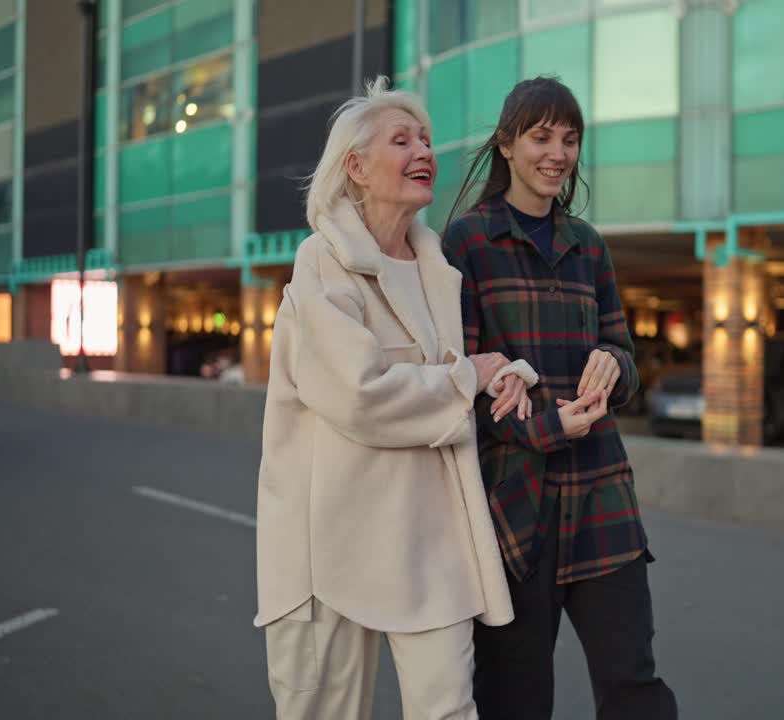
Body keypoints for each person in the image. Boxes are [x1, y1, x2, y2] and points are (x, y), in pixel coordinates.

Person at [254, 77, 539, 720]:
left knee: (449, 709)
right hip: (327, 536)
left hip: (430, 534)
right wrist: (467, 379)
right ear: (356, 167)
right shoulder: (321, 262)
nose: (424, 152)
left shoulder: (438, 271)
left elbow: (456, 375)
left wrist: (497, 375)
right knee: (323, 711)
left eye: (427, 141)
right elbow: (359, 396)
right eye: (402, 140)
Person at [441, 77, 678, 720]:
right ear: (506, 144)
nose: (558, 154)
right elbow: (460, 384)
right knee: (515, 696)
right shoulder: (467, 244)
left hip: (603, 496)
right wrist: (548, 428)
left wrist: (613, 365)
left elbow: (623, 357)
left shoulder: (587, 244)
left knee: (634, 686)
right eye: (541, 137)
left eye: (569, 140)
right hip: (515, 507)